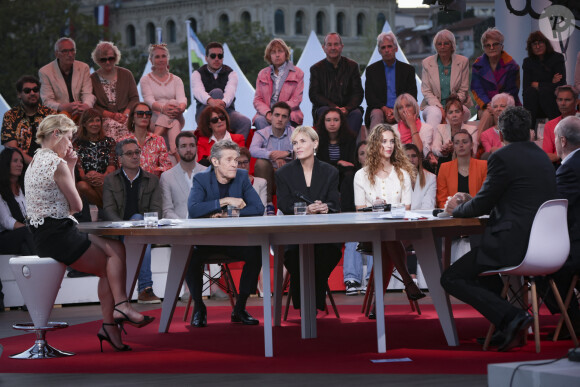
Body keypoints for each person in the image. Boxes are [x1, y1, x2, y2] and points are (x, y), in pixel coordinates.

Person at [25, 115, 153, 352]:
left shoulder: (35, 161)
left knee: (116, 247)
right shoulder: (57, 163)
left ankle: (114, 319)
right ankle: (117, 312)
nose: (71, 145)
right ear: (56, 134)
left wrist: (71, 164)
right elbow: (77, 206)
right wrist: (71, 165)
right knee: (108, 267)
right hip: (58, 235)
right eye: (69, 138)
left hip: (49, 233)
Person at [441, 106, 557, 352]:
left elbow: (483, 203)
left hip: (513, 244)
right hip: (547, 244)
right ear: (529, 132)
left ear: (501, 134)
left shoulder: (501, 157)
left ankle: (512, 317)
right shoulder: (542, 158)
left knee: (451, 277)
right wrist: (473, 201)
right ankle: (508, 324)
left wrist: (456, 209)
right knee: (484, 271)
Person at [187, 140, 264, 327]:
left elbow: (258, 208)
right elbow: (194, 209)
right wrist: (226, 200)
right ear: (215, 162)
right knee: (190, 257)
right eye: (229, 160)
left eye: (236, 160)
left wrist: (227, 214)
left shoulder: (242, 177)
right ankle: (199, 306)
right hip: (208, 242)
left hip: (234, 241)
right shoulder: (201, 179)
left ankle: (240, 308)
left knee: (255, 252)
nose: (234, 164)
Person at [353, 124, 425, 303]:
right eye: (384, 141)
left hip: (400, 230)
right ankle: (408, 281)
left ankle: (377, 303)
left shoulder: (403, 174)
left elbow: (407, 209)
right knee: (386, 237)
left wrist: (389, 209)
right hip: (370, 232)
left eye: (392, 141)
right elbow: (360, 211)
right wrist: (376, 209)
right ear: (375, 144)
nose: (389, 145)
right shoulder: (361, 175)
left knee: (388, 237)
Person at [275, 126, 342, 311]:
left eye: (303, 141)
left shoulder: (330, 172)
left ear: (315, 143)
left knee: (328, 253)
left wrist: (325, 207)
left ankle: (307, 304)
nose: (298, 146)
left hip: (324, 234)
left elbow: (335, 203)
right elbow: (283, 205)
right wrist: (306, 209)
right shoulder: (283, 173)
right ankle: (311, 305)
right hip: (294, 236)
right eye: (295, 143)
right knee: (296, 257)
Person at [102, 138, 162, 304]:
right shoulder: (110, 179)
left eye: (137, 152)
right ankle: (145, 288)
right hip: (119, 231)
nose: (135, 156)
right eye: (130, 153)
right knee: (135, 223)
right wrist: (125, 227)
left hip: (145, 229)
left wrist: (139, 224)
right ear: (120, 159)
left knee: (138, 220)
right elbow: (108, 210)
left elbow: (157, 210)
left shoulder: (152, 179)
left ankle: (128, 292)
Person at [536, 116, 580, 339]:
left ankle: (573, 319)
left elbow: (552, 207)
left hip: (575, 246)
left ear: (562, 141)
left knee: (538, 268)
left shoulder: (570, 169)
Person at [192, 42, 251, 139]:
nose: (216, 59)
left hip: (226, 112)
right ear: (206, 58)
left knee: (245, 122)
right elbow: (199, 92)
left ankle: (236, 150)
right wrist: (211, 101)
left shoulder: (231, 73)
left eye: (220, 56)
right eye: (213, 56)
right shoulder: (197, 74)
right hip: (204, 113)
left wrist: (222, 103)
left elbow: (230, 92)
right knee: (217, 92)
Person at [471, 28, 521, 141]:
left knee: (501, 112)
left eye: (495, 44)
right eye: (487, 45)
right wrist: (488, 105)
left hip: (507, 103)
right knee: (488, 114)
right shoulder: (477, 65)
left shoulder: (512, 65)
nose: (491, 48)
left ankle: (503, 147)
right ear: (484, 48)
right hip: (485, 105)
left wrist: (498, 105)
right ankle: (479, 147)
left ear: (502, 46)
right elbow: (476, 88)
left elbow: (513, 90)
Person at [309, 33, 364, 135]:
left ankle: (348, 148)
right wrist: (333, 107)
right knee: (324, 112)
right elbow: (314, 95)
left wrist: (347, 109)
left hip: (348, 109)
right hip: (325, 108)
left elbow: (358, 93)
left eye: (336, 44)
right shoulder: (316, 69)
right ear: (323, 48)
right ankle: (326, 149)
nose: (333, 48)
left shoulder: (352, 66)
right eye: (329, 45)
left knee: (356, 114)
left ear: (342, 47)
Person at [140, 44, 187, 160]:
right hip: (154, 118)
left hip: (177, 113)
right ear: (151, 60)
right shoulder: (145, 80)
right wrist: (163, 109)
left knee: (173, 102)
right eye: (157, 57)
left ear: (168, 58)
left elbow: (182, 99)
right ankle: (175, 152)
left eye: (163, 56)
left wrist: (179, 108)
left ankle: (153, 139)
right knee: (174, 123)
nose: (161, 59)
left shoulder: (177, 80)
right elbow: (148, 100)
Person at [420, 29, 472, 130]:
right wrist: (440, 108)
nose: (442, 47)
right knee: (435, 114)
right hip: (433, 105)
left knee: (455, 113)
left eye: (446, 44)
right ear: (436, 46)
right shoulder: (427, 63)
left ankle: (454, 143)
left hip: (457, 103)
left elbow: (464, 89)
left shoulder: (463, 61)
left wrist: (452, 106)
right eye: (439, 44)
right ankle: (431, 144)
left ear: (452, 45)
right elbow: (426, 91)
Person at [249, 101, 294, 214]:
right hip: (268, 174)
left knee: (293, 165)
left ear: (288, 119)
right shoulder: (261, 133)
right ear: (270, 116)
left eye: (284, 116)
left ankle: (286, 206)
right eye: (277, 115)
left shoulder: (294, 132)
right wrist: (272, 155)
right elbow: (253, 150)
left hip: (287, 173)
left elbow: (304, 147)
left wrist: (287, 153)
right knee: (261, 163)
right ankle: (268, 204)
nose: (280, 119)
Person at [365, 31, 417, 129]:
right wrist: (385, 109)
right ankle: (373, 143)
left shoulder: (408, 70)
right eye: (383, 48)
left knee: (407, 111)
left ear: (396, 49)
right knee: (377, 113)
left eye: (389, 46)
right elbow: (370, 97)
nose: (387, 50)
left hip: (401, 108)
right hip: (380, 109)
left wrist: (397, 110)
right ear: (379, 51)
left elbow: (412, 95)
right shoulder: (371, 70)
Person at [90, 41, 140, 142]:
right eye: (103, 60)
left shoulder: (126, 74)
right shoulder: (91, 79)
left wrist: (125, 114)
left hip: (126, 115)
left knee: (135, 127)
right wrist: (111, 115)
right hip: (104, 118)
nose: (107, 62)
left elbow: (134, 98)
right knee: (112, 126)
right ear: (98, 60)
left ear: (116, 57)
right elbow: (93, 105)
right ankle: (116, 156)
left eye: (110, 58)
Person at [1, 75, 56, 164]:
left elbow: (60, 142)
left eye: (35, 90)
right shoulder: (10, 116)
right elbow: (11, 147)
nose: (32, 93)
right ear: (19, 94)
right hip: (21, 167)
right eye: (27, 91)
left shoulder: (51, 114)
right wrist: (35, 164)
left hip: (49, 164)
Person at [253, 38, 304, 129]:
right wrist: (268, 113)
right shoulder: (262, 74)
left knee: (284, 121)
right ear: (269, 56)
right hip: (268, 114)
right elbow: (257, 100)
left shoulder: (298, 73)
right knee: (259, 120)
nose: (277, 55)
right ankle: (267, 143)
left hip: (289, 114)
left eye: (280, 51)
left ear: (286, 53)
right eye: (273, 52)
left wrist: (279, 113)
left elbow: (296, 100)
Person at [343, 141, 372, 295]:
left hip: (377, 222)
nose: (366, 156)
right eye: (362, 153)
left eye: (369, 152)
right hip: (356, 221)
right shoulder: (350, 178)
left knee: (377, 235)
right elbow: (347, 207)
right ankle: (351, 279)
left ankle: (372, 279)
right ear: (358, 158)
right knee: (353, 238)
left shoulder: (386, 176)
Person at [38, 37, 95, 117]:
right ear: (56, 54)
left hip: (80, 113)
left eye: (72, 50)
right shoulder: (45, 72)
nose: (70, 54)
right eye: (65, 51)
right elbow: (47, 101)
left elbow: (87, 94)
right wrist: (62, 107)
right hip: (58, 115)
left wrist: (86, 105)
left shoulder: (84, 67)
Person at [315, 107, 357, 212]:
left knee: (349, 175)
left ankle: (347, 210)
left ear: (341, 122)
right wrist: (338, 162)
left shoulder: (350, 138)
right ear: (323, 122)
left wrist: (335, 165)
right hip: (325, 173)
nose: (332, 123)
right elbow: (319, 163)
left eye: (336, 120)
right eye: (328, 120)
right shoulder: (317, 139)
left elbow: (350, 163)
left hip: (344, 174)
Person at [522, 31, 566, 130]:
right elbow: (526, 87)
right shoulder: (528, 62)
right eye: (534, 44)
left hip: (552, 101)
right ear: (530, 47)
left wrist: (538, 84)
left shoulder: (557, 58)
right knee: (530, 93)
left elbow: (560, 84)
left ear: (546, 43)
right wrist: (551, 82)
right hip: (534, 104)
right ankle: (529, 132)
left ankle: (556, 130)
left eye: (540, 42)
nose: (538, 46)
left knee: (545, 92)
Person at [73, 109, 116, 208]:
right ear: (84, 124)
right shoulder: (77, 143)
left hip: (106, 179)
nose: (95, 124)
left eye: (97, 120)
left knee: (102, 183)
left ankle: (108, 210)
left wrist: (102, 177)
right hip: (87, 180)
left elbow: (111, 167)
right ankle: (108, 209)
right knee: (81, 185)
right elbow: (80, 170)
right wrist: (91, 177)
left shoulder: (110, 142)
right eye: (91, 121)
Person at [159, 131, 207, 219]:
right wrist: (182, 225)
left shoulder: (207, 173)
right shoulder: (167, 177)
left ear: (196, 148)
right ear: (177, 149)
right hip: (178, 228)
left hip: (203, 227)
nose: (188, 150)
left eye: (192, 145)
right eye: (184, 146)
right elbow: (167, 211)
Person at [436, 130, 487, 208]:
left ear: (472, 145)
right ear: (453, 147)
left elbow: (486, 195)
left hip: (478, 213)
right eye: (457, 143)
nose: (461, 145)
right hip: (452, 215)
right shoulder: (444, 168)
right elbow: (442, 199)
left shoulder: (483, 166)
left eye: (465, 142)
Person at [121, 102, 172, 177]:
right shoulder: (123, 142)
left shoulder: (158, 140)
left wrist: (151, 172)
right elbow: (120, 168)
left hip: (153, 184)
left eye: (148, 114)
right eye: (140, 113)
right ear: (132, 118)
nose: (144, 116)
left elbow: (167, 167)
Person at [0, 147, 35, 255]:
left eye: (21, 161)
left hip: (23, 234)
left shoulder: (23, 187)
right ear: (6, 163)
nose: (20, 164)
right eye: (15, 161)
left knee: (25, 247)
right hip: (5, 237)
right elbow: (5, 220)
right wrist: (29, 229)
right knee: (28, 233)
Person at [431, 95, 479, 165]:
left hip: (465, 163)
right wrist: (444, 150)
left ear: (463, 113)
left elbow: (473, 151)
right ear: (446, 115)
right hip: (446, 163)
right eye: (450, 112)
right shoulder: (440, 128)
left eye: (457, 111)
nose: (454, 115)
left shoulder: (472, 130)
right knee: (443, 160)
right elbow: (435, 148)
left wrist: (454, 148)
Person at [542, 86, 579, 163]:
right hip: (558, 167)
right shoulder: (550, 125)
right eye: (560, 100)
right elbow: (546, 156)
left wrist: (558, 155)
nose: (563, 103)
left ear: (576, 102)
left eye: (567, 100)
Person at [393, 94, 434, 159]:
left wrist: (412, 125)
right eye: (400, 108)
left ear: (415, 108)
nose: (405, 110)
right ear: (398, 113)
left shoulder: (427, 128)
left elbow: (418, 151)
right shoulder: (393, 130)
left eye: (408, 106)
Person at [479, 93, 515, 159]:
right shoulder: (485, 135)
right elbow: (489, 156)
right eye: (495, 107)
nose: (498, 109)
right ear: (492, 111)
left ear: (511, 109)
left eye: (502, 106)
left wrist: (496, 149)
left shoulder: (518, 130)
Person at [404, 144, 436, 210]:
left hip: (422, 219)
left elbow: (428, 207)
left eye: (414, 156)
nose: (411, 159)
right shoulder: (395, 177)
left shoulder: (431, 178)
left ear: (419, 158)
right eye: (407, 156)